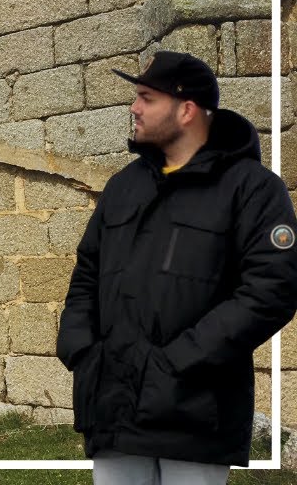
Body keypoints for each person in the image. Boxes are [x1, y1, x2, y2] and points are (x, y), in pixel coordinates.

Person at [56, 50, 297, 484]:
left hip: (195, 411)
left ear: (186, 110)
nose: (134, 108)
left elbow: (271, 290)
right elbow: (87, 272)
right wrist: (81, 348)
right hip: (115, 408)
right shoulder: (124, 186)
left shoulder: (253, 189)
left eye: (147, 97)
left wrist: (178, 362)